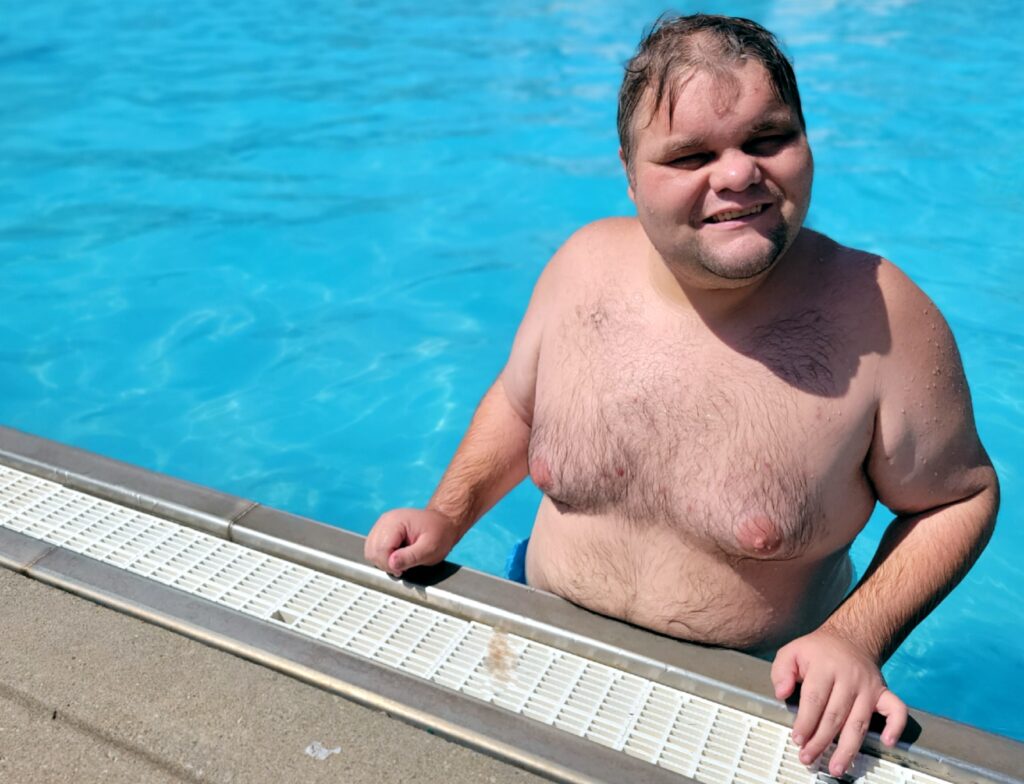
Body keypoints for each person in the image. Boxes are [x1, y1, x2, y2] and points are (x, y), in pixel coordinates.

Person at [364, 13, 998, 779]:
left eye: (768, 140)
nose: (737, 176)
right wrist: (448, 513)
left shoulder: (886, 321)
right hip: (534, 619)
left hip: (762, 699)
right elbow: (519, 404)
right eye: (692, 154)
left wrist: (855, 639)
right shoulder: (581, 270)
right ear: (631, 173)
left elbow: (956, 499)